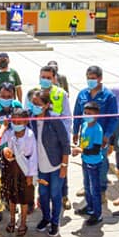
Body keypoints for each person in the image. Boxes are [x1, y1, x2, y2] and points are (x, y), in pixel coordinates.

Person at [29, 88, 70, 237]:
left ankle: (54, 222)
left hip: (55, 165)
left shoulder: (54, 119)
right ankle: (46, 217)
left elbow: (65, 144)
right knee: (43, 193)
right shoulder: (31, 120)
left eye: (38, 104)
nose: (34, 106)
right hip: (40, 167)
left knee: (55, 194)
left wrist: (64, 165)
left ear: (46, 105)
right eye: (33, 103)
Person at [73, 65, 118, 200]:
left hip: (100, 136)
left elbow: (113, 118)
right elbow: (77, 114)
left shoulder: (109, 96)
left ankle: (101, 189)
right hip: (86, 135)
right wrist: (75, 132)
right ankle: (87, 186)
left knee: (101, 163)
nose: (90, 81)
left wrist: (107, 136)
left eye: (93, 78)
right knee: (86, 159)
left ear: (100, 78)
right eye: (88, 78)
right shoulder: (82, 94)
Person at [34, 64, 73, 208]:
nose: (45, 80)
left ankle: (64, 196)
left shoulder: (61, 94)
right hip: (40, 137)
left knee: (61, 169)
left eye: (48, 78)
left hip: (58, 138)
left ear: (54, 78)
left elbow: (67, 117)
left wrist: (65, 139)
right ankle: (41, 198)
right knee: (41, 169)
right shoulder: (34, 93)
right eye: (43, 77)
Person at [0, 82, 24, 223]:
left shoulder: (17, 107)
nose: (6, 98)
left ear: (14, 95)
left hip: (13, 150)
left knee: (10, 179)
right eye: (3, 96)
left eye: (9, 96)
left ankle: (8, 201)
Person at [1, 109, 37, 236]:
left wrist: (30, 174)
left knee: (24, 197)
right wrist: (5, 149)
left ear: (26, 121)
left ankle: (23, 222)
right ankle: (12, 220)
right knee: (12, 196)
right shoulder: (10, 133)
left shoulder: (30, 135)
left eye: (19, 121)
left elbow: (33, 156)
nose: (16, 123)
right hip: (12, 169)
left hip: (25, 169)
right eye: (14, 121)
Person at [72, 101, 104, 225]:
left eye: (89, 113)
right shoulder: (84, 125)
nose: (86, 115)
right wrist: (79, 150)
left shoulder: (98, 130)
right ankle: (90, 207)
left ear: (96, 115)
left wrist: (82, 150)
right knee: (87, 186)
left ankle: (98, 214)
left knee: (95, 189)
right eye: (85, 113)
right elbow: (83, 142)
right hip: (85, 160)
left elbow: (96, 149)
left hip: (94, 163)